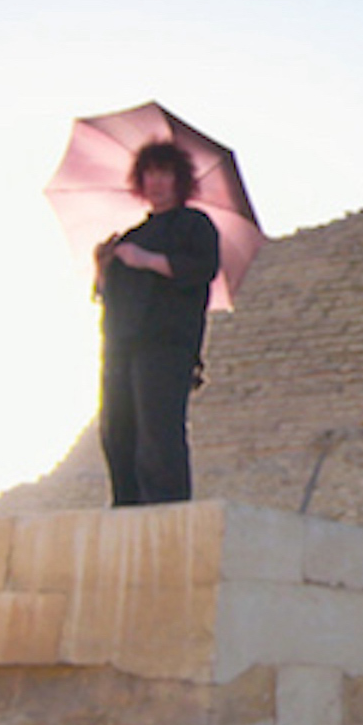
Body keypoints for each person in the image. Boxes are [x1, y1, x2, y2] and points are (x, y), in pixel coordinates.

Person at [94, 140, 220, 506]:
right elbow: (107, 295)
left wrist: (147, 260)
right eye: (149, 174)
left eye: (164, 173)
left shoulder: (194, 225)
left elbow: (203, 268)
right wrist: (103, 268)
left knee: (158, 431)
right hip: (121, 345)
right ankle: (126, 506)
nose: (156, 182)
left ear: (180, 179)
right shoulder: (129, 237)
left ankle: (165, 508)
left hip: (166, 343)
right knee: (116, 431)